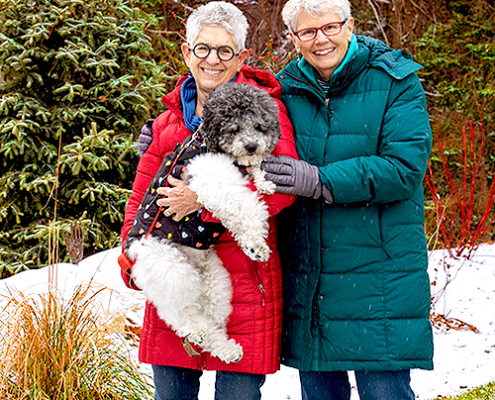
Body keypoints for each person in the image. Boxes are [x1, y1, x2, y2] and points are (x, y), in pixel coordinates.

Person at [121, 2, 298, 399]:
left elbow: (281, 187)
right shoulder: (168, 122)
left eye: (224, 50)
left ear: (241, 56)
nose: (212, 60)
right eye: (203, 49)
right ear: (187, 52)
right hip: (174, 290)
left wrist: (200, 202)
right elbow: (140, 196)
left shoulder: (265, 110)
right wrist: (132, 258)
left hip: (243, 293)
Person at [261, 0, 434, 399]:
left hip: (380, 277)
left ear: (349, 24)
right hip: (313, 277)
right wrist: (165, 137)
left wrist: (321, 180)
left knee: (384, 392)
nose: (320, 39)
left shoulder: (394, 80)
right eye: (307, 31)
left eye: (330, 27)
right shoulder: (283, 89)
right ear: (293, 37)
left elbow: (403, 168)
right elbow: (235, 123)